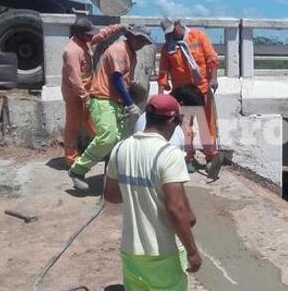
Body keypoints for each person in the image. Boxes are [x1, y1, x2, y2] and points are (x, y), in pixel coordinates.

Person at [104, 94, 201, 291]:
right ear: (172, 121)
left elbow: (111, 196)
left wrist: (138, 192)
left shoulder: (121, 148)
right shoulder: (168, 154)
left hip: (131, 252)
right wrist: (193, 251)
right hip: (162, 253)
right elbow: (175, 208)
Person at [69, 27, 153, 191]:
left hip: (117, 102)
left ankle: (111, 177)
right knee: (107, 137)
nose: (141, 43)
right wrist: (130, 104)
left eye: (144, 41)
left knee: (119, 143)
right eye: (139, 39)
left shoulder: (132, 54)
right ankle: (77, 170)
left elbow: (125, 81)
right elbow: (116, 79)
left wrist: (128, 99)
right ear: (130, 36)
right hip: (103, 98)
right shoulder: (119, 50)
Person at [60, 17, 127, 167]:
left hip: (88, 90)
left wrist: (119, 27)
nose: (91, 36)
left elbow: (102, 35)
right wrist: (85, 98)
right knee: (73, 125)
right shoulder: (72, 51)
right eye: (88, 34)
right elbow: (75, 79)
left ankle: (101, 151)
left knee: (96, 123)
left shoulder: (85, 41)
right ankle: (71, 159)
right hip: (74, 94)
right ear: (79, 34)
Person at [157, 17, 219, 166]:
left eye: (173, 31)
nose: (171, 35)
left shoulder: (198, 36)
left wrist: (214, 78)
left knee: (206, 124)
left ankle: (210, 156)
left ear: (178, 24)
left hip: (202, 89)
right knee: (184, 125)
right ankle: (188, 157)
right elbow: (163, 72)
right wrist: (161, 95)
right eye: (168, 33)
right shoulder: (168, 48)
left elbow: (212, 58)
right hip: (183, 93)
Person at [135, 84, 205, 174]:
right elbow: (171, 170)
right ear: (181, 105)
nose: (190, 118)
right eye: (191, 113)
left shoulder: (145, 116)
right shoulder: (173, 130)